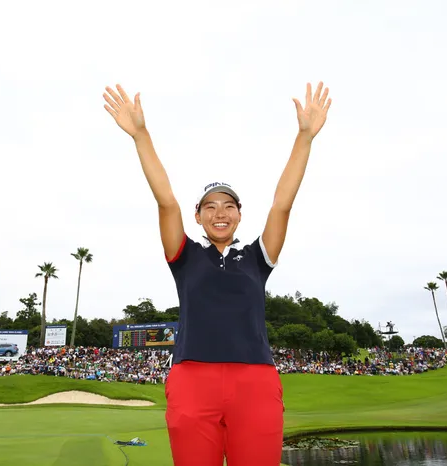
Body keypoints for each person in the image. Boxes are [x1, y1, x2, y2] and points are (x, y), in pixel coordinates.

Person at [103, 82, 332, 466]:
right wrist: (140, 134)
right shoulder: (185, 256)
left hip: (255, 382)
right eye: (209, 206)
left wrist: (304, 137)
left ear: (240, 214)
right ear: (198, 216)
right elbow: (166, 201)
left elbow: (282, 205)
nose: (219, 212)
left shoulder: (256, 257)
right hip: (193, 382)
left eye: (228, 205)